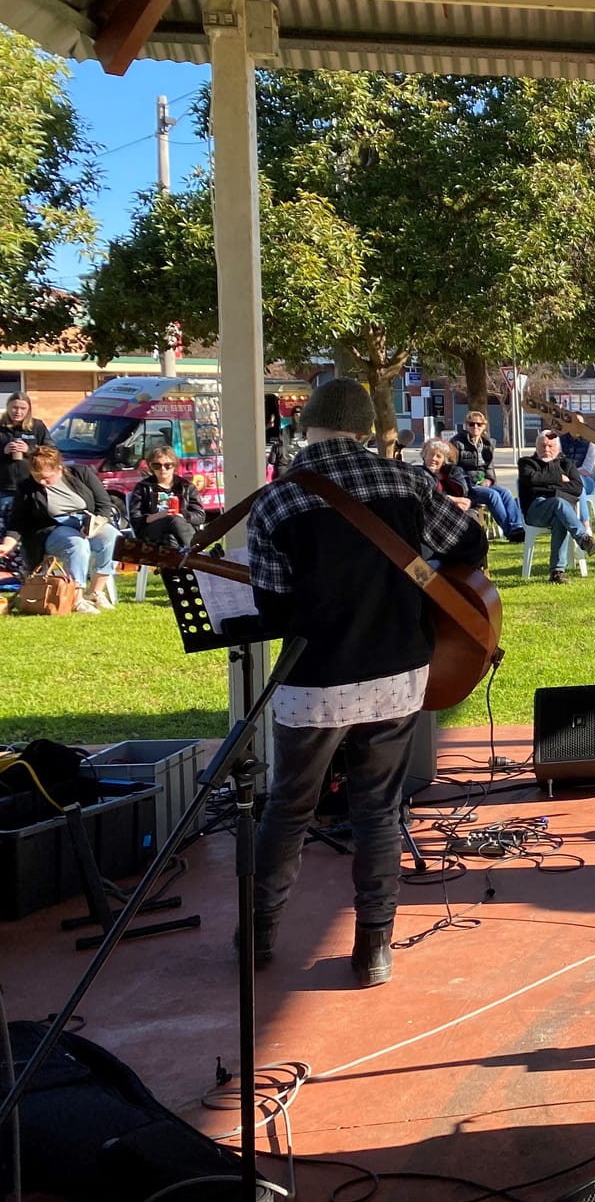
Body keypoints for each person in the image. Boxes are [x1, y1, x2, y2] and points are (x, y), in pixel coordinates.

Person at [246, 379, 488, 986]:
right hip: (396, 675)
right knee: (378, 809)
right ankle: (374, 949)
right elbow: (472, 543)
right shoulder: (407, 483)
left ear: (310, 429)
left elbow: (274, 612)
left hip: (316, 682)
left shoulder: (276, 502)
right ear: (360, 427)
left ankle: (258, 935)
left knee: (288, 807)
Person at [0, 445, 122, 613]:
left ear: (59, 468)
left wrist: (95, 525)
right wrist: (7, 544)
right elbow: (18, 522)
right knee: (77, 544)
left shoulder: (82, 473)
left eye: (46, 478)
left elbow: (104, 505)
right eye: (37, 477)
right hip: (51, 528)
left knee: (113, 538)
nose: (42, 482)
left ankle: (95, 592)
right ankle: (76, 599)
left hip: (87, 521)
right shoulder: (27, 487)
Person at [518, 427, 595, 582]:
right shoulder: (527, 463)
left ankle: (557, 572)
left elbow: (577, 488)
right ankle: (583, 539)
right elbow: (532, 480)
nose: (546, 449)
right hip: (536, 510)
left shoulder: (567, 464)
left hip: (560, 512)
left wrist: (545, 484)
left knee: (560, 517)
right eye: (542, 446)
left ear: (558, 448)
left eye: (550, 446)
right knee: (559, 503)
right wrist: (559, 478)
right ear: (537, 447)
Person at [450, 410, 525, 542]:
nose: (475, 427)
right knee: (492, 495)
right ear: (466, 426)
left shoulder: (487, 443)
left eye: (479, 424)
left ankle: (516, 526)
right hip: (467, 485)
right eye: (471, 424)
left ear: (484, 426)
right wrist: (468, 483)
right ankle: (510, 531)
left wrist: (489, 479)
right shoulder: (457, 443)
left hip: (483, 481)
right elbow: (454, 469)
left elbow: (489, 466)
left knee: (505, 492)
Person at [127, 446, 207, 550]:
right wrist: (159, 516)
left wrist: (182, 515)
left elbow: (200, 516)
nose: (162, 469)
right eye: (157, 465)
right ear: (151, 467)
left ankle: (177, 562)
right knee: (171, 519)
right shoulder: (143, 488)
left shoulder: (186, 487)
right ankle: (195, 553)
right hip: (152, 531)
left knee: (171, 536)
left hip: (181, 529)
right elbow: (135, 518)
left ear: (174, 466)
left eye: (167, 465)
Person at [1, 393, 50, 501]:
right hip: (5, 487)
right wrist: (3, 451)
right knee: (8, 516)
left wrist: (29, 450)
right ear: (7, 407)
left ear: (29, 410)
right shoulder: (1, 427)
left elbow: (51, 451)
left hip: (32, 484)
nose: (18, 412)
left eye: (23, 408)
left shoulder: (37, 426)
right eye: (14, 408)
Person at [420, 437, 473, 512]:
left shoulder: (455, 472)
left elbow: (469, 493)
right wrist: (455, 500)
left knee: (472, 516)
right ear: (424, 456)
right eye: (431, 454)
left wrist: (468, 502)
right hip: (434, 512)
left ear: (444, 460)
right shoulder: (420, 473)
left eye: (438, 456)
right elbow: (429, 496)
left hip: (460, 509)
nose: (434, 458)